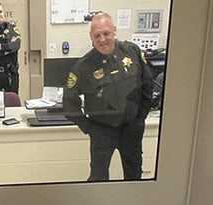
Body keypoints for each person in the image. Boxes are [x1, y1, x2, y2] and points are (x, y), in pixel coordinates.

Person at [62, 12, 155, 181]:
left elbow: (148, 84)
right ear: (91, 38)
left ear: (114, 31)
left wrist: (140, 118)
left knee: (134, 175)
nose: (102, 39)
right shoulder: (83, 66)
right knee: (98, 178)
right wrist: (89, 128)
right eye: (97, 35)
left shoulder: (131, 51)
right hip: (102, 131)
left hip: (131, 128)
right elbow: (69, 103)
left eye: (106, 33)